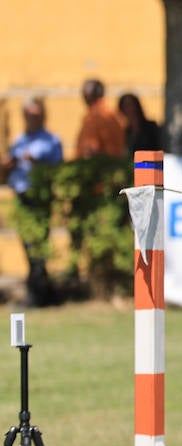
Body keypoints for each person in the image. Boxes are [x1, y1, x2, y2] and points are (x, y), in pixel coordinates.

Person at [1, 98, 64, 306]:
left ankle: (37, 295)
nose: (32, 118)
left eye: (36, 114)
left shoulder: (51, 140)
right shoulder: (19, 141)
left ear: (43, 116)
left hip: (40, 198)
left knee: (37, 246)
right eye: (28, 114)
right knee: (29, 247)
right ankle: (43, 293)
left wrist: (34, 161)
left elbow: (56, 168)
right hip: (22, 198)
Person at [76, 78, 127, 158]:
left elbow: (90, 149)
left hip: (101, 166)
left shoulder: (96, 117)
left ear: (88, 94)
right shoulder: (112, 114)